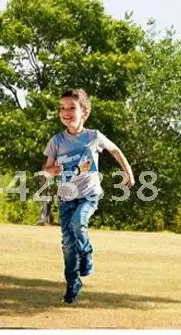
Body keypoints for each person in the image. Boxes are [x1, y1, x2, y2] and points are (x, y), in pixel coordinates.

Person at [41, 88, 135, 305]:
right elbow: (48, 168)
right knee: (67, 244)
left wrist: (127, 172)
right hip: (66, 199)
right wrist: (49, 173)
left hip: (89, 196)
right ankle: (73, 283)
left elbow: (115, 151)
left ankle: (87, 254)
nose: (66, 112)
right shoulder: (56, 141)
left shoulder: (93, 136)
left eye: (71, 108)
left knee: (78, 224)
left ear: (84, 112)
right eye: (62, 108)